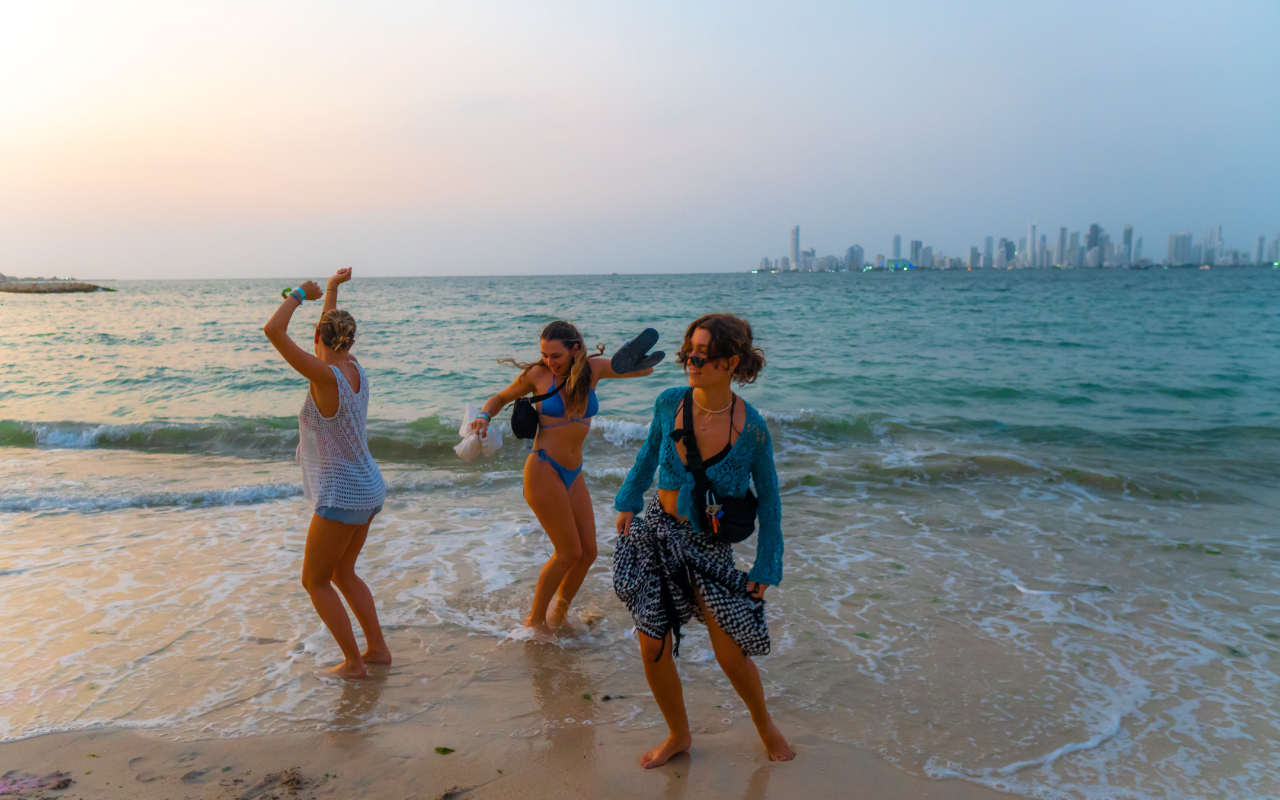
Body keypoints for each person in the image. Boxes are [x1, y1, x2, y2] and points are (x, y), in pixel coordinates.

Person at [612, 313, 794, 767]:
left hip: (708, 547)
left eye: (703, 353)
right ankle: (678, 734)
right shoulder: (669, 402)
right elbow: (649, 454)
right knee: (652, 644)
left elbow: (770, 499)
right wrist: (628, 499)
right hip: (656, 532)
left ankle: (764, 724)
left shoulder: (751, 428)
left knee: (730, 654)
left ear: (731, 362)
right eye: (689, 350)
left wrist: (767, 566)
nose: (691, 359)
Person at [471, 321, 655, 637]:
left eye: (555, 355)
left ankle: (559, 612)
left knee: (588, 552)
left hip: (574, 472)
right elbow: (499, 398)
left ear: (575, 349)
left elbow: (641, 373)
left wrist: (634, 361)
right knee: (568, 552)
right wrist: (484, 416)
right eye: (544, 354)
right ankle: (535, 621)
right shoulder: (537, 375)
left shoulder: (594, 370)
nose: (549, 361)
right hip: (543, 468)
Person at [263, 268, 389, 679]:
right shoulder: (352, 368)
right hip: (368, 487)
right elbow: (329, 330)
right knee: (344, 572)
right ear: (349, 341)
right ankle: (376, 651)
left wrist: (301, 293)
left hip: (342, 494)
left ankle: (354, 664)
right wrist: (331, 290)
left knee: (315, 582)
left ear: (319, 340)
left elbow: (274, 331)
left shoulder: (323, 376)